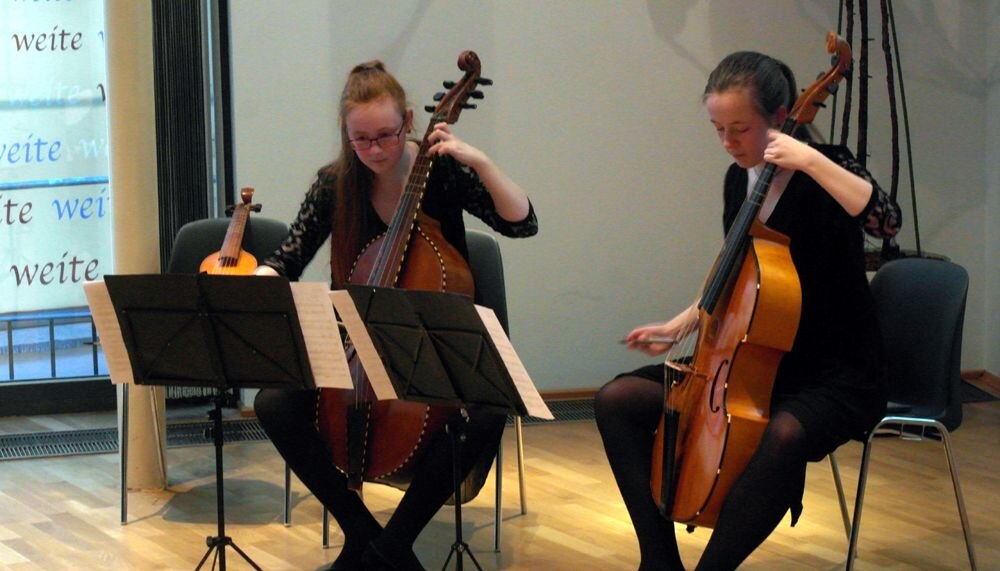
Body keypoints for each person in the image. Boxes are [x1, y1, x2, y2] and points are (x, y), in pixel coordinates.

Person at [594, 51, 902, 570]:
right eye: (718, 129)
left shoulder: (829, 166)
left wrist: (809, 160)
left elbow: (885, 221)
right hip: (750, 360)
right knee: (618, 399)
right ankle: (659, 561)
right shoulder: (739, 180)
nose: (729, 142)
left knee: (783, 434)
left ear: (781, 118)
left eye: (740, 128)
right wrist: (682, 323)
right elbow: (740, 275)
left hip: (835, 371)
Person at [253, 60, 537, 571]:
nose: (376, 150)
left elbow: (522, 224)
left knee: (490, 411)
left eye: (386, 134)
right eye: (361, 140)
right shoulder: (335, 184)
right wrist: (256, 283)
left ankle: (392, 544)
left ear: (409, 120)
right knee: (275, 403)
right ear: (346, 135)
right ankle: (362, 532)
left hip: (429, 349)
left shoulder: (443, 172)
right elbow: (287, 260)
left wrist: (482, 163)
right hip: (357, 349)